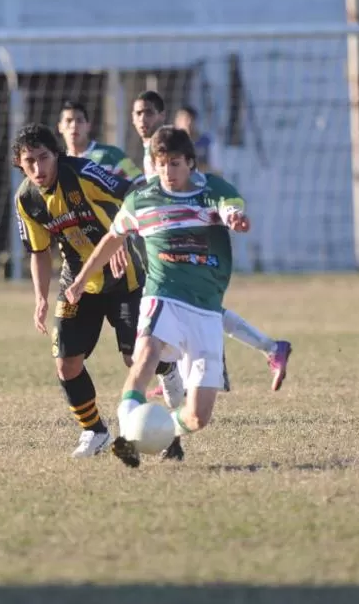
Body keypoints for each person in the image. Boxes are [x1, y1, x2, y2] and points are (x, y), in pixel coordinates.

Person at [65, 127, 250, 468]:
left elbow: (228, 208)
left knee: (198, 416)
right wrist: (80, 279)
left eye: (176, 163)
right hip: (162, 293)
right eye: (161, 163)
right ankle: (125, 436)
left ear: (191, 164)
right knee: (146, 355)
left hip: (205, 308)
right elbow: (112, 238)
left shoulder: (212, 190)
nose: (168, 172)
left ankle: (160, 433)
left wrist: (234, 218)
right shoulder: (141, 199)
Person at [12, 123, 181, 458]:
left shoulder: (84, 173)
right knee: (66, 363)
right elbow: (38, 252)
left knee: (135, 358)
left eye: (43, 158)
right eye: (29, 161)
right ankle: (95, 432)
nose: (37, 168)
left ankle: (168, 378)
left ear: (56, 154)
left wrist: (117, 236)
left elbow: (132, 192)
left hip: (124, 279)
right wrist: (40, 299)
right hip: (78, 284)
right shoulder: (26, 200)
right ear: (20, 164)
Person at [129, 90, 292, 394]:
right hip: (166, 238)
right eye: (138, 113)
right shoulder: (150, 150)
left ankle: (195, 374)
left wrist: (224, 211)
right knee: (193, 310)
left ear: (163, 117)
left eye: (149, 113)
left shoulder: (168, 149)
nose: (143, 119)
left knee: (190, 309)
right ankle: (265, 349)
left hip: (190, 236)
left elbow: (205, 183)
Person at [57, 99, 142, 180]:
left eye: (79, 121)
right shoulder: (58, 164)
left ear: (88, 126)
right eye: (68, 121)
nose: (74, 125)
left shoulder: (114, 153)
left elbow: (140, 182)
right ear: (60, 127)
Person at [174, 105, 222, 175]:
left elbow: (217, 170)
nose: (187, 123)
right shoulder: (170, 143)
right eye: (183, 120)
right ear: (176, 122)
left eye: (190, 119)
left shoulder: (208, 142)